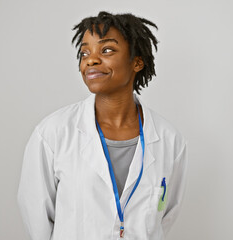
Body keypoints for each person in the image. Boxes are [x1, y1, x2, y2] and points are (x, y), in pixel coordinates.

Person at [17, 11, 189, 240]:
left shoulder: (170, 140)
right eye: (84, 52)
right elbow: (36, 217)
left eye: (106, 50)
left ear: (137, 61)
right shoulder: (52, 134)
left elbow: (165, 217)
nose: (91, 60)